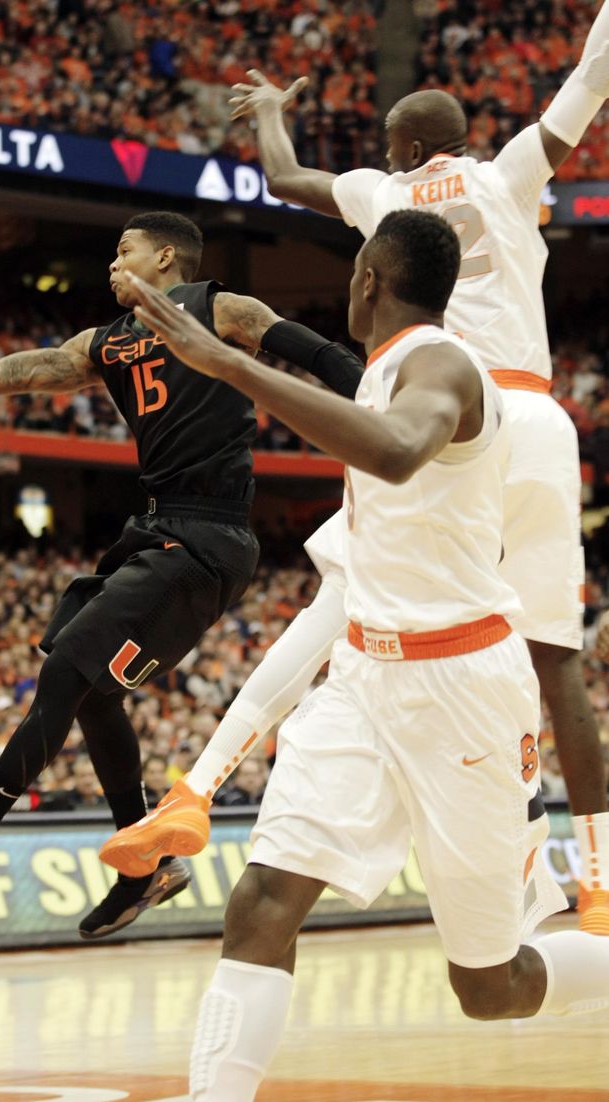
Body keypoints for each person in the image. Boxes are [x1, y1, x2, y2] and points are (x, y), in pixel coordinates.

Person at [104, 13, 609, 933]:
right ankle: (599, 878)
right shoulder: (509, 171)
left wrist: (267, 111)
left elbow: (284, 176)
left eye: (387, 139)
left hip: (447, 402)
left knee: (344, 598)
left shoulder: (385, 194)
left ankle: (199, 786)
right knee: (549, 659)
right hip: (539, 418)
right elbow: (589, 80)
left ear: (405, 146)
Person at [120, 211, 609, 1102]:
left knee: (488, 988)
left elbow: (393, 453)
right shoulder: (382, 371)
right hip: (363, 678)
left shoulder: (442, 365)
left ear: (369, 281)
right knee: (263, 901)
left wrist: (232, 363)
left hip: (463, 689)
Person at [0, 211, 363, 940]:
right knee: (92, 698)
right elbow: (5, 376)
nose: (111, 263)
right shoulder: (107, 342)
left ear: (165, 257)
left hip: (209, 535)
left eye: (123, 251)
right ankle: (143, 867)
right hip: (156, 531)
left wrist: (391, 411)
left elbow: (324, 357)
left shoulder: (221, 308)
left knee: (67, 668)